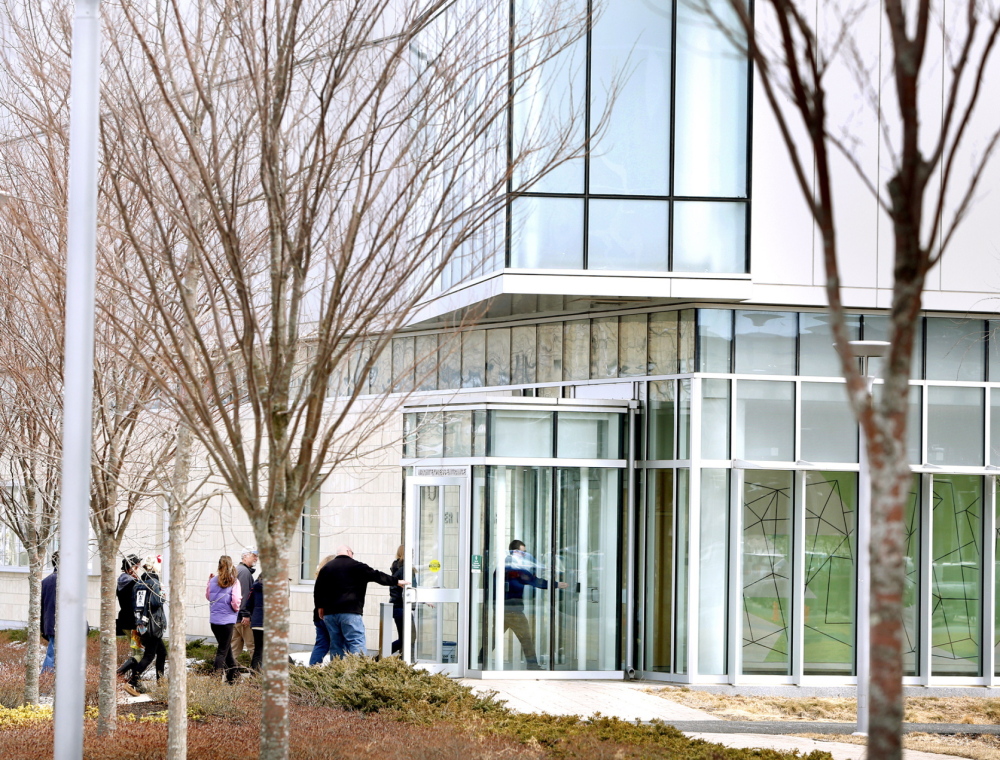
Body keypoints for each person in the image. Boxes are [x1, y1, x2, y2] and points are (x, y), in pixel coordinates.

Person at [314, 545, 408, 658]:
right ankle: (358, 672)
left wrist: (320, 607)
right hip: (350, 612)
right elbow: (377, 575)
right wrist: (396, 581)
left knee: (336, 645)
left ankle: (336, 671)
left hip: (330, 614)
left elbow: (318, 589)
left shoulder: (326, 568)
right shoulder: (357, 566)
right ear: (349, 552)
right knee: (356, 643)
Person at [503, 540, 567, 670]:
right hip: (512, 608)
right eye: (523, 552)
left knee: (494, 637)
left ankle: (480, 661)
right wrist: (555, 584)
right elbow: (531, 580)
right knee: (526, 637)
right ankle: (532, 665)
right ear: (516, 552)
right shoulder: (512, 566)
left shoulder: (506, 563)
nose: (525, 554)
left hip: (504, 607)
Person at [122, 555, 167, 695]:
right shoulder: (154, 583)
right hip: (154, 624)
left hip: (141, 624)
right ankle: (132, 681)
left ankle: (161, 682)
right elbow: (156, 603)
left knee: (162, 652)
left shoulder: (139, 583)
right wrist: (163, 594)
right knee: (149, 655)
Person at [205, 555, 242, 684]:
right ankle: (216, 679)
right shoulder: (234, 582)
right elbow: (236, 601)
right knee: (222, 651)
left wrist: (209, 582)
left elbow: (209, 597)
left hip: (214, 621)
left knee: (226, 649)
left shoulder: (213, 580)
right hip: (227, 620)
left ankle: (233, 676)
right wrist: (235, 610)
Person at [115, 554, 144, 677]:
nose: (138, 570)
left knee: (135, 651)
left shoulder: (121, 583)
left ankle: (133, 680)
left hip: (124, 622)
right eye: (137, 567)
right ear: (131, 568)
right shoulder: (134, 584)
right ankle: (122, 674)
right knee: (139, 653)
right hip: (133, 624)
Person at [308, 555, 336, 665]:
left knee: (321, 644)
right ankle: (336, 669)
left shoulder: (319, 577)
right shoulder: (333, 577)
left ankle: (313, 667)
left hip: (318, 616)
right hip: (329, 615)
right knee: (336, 644)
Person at [232, 546, 258, 661]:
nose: (256, 558)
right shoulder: (244, 572)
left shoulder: (239, 570)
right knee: (253, 647)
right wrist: (246, 614)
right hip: (243, 619)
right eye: (254, 555)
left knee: (234, 649)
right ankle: (256, 676)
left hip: (235, 617)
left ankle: (227, 676)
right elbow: (244, 594)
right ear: (245, 556)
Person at [40, 551, 58, 674]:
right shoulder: (68, 581)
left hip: (50, 623)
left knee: (53, 654)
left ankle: (47, 684)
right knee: (52, 655)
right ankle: (45, 685)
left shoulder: (45, 581)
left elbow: (41, 606)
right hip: (61, 625)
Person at [243, 573, 264, 672]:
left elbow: (248, 604)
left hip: (257, 623)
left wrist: (253, 615)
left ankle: (254, 676)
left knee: (258, 651)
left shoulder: (255, 587)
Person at [389, 545, 405, 654]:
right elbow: (411, 589)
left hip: (397, 607)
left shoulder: (397, 567)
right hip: (401, 607)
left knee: (405, 639)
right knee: (405, 639)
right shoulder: (404, 570)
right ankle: (377, 659)